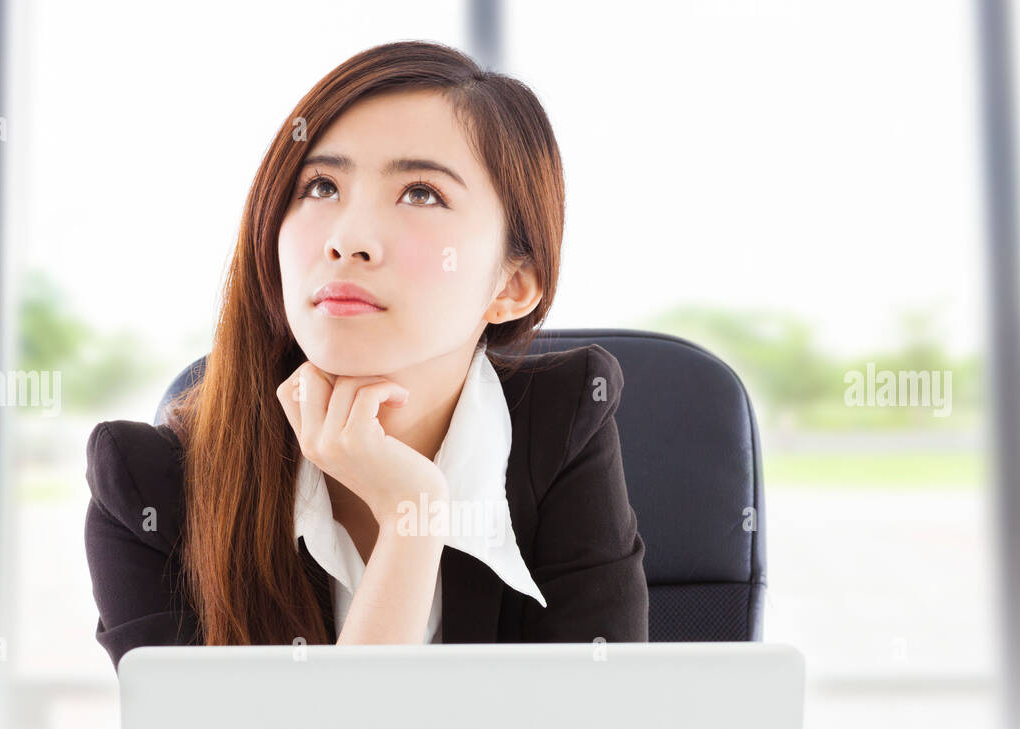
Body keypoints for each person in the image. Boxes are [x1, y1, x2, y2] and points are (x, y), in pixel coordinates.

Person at [85, 41, 648, 672]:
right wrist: (412, 527)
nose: (347, 239)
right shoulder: (148, 489)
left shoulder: (564, 426)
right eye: (321, 185)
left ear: (511, 286)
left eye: (421, 194)